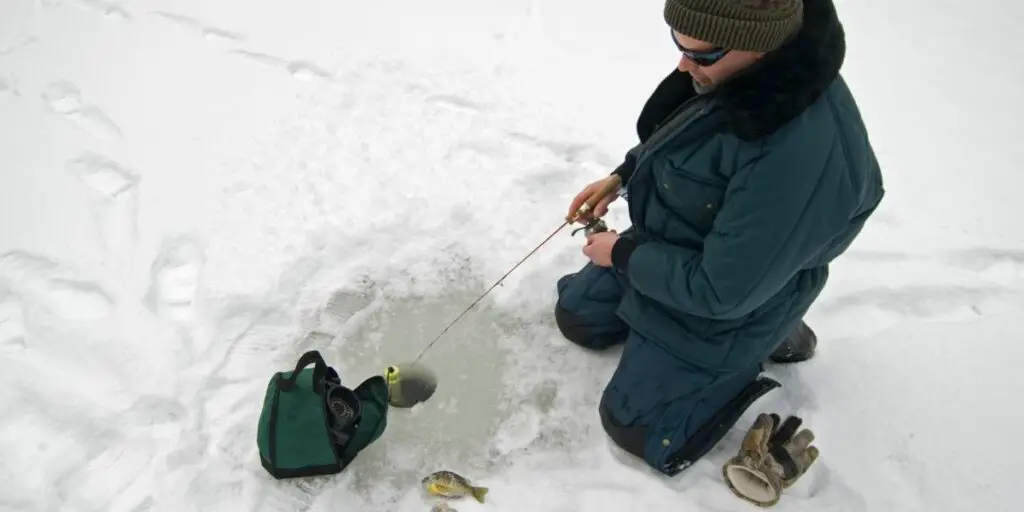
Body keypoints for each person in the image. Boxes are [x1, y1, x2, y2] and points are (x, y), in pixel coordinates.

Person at [554, 0, 884, 481]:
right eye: (679, 47)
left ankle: (770, 332)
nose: (683, 65)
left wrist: (622, 253)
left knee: (636, 425)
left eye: (701, 55)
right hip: (692, 248)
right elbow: (687, 133)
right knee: (579, 318)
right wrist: (623, 175)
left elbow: (720, 291)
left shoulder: (792, 155)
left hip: (733, 293)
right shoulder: (745, 73)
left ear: (759, 44)